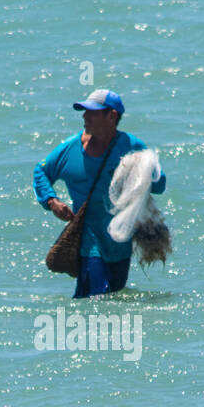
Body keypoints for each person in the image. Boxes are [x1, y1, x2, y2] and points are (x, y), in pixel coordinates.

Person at [33, 89, 166, 298]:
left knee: (112, 300)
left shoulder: (131, 147)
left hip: (121, 244)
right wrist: (51, 201)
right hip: (89, 243)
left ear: (111, 116)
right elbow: (41, 171)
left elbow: (159, 186)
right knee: (98, 299)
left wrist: (142, 171)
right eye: (84, 111)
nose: (85, 116)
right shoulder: (70, 149)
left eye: (92, 112)